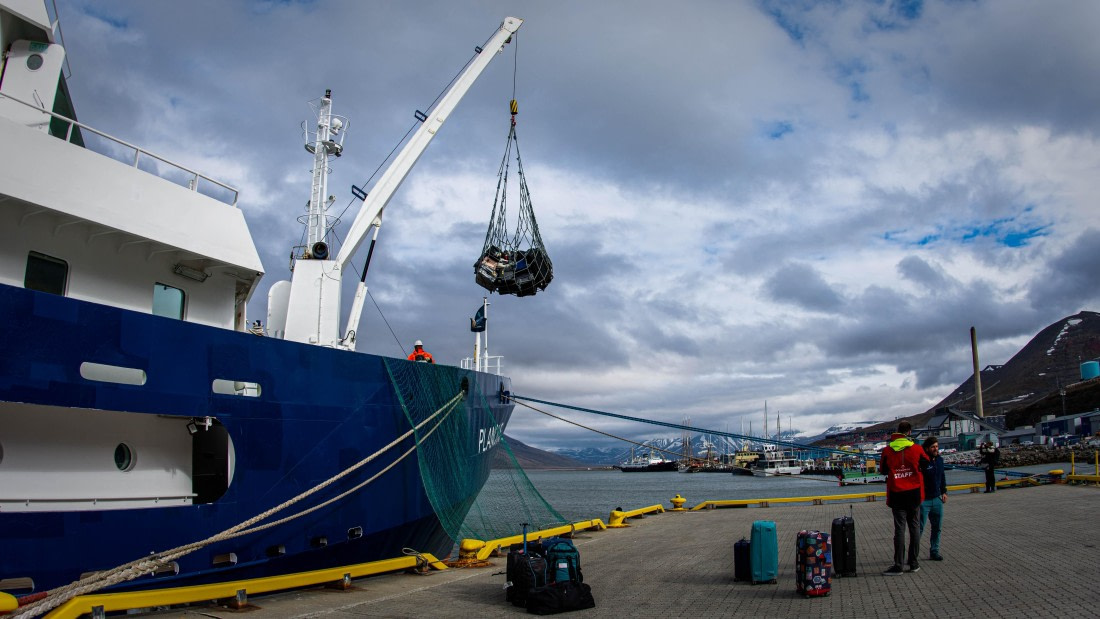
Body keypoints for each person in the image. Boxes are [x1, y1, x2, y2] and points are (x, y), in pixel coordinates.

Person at [879, 420, 929, 575]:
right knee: (914, 527)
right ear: (909, 432)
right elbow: (926, 464)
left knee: (899, 530)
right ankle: (913, 563)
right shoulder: (917, 449)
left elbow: (883, 470)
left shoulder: (887, 451)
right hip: (914, 493)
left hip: (897, 494)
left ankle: (898, 565)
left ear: (897, 431)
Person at [919, 436, 947, 561]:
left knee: (937, 527)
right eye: (933, 447)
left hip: (937, 499)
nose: (936, 449)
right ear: (927, 448)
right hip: (923, 500)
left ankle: (934, 551)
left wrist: (944, 491)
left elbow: (942, 476)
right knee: (919, 528)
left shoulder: (940, 460)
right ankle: (913, 554)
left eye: (936, 446)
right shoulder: (922, 462)